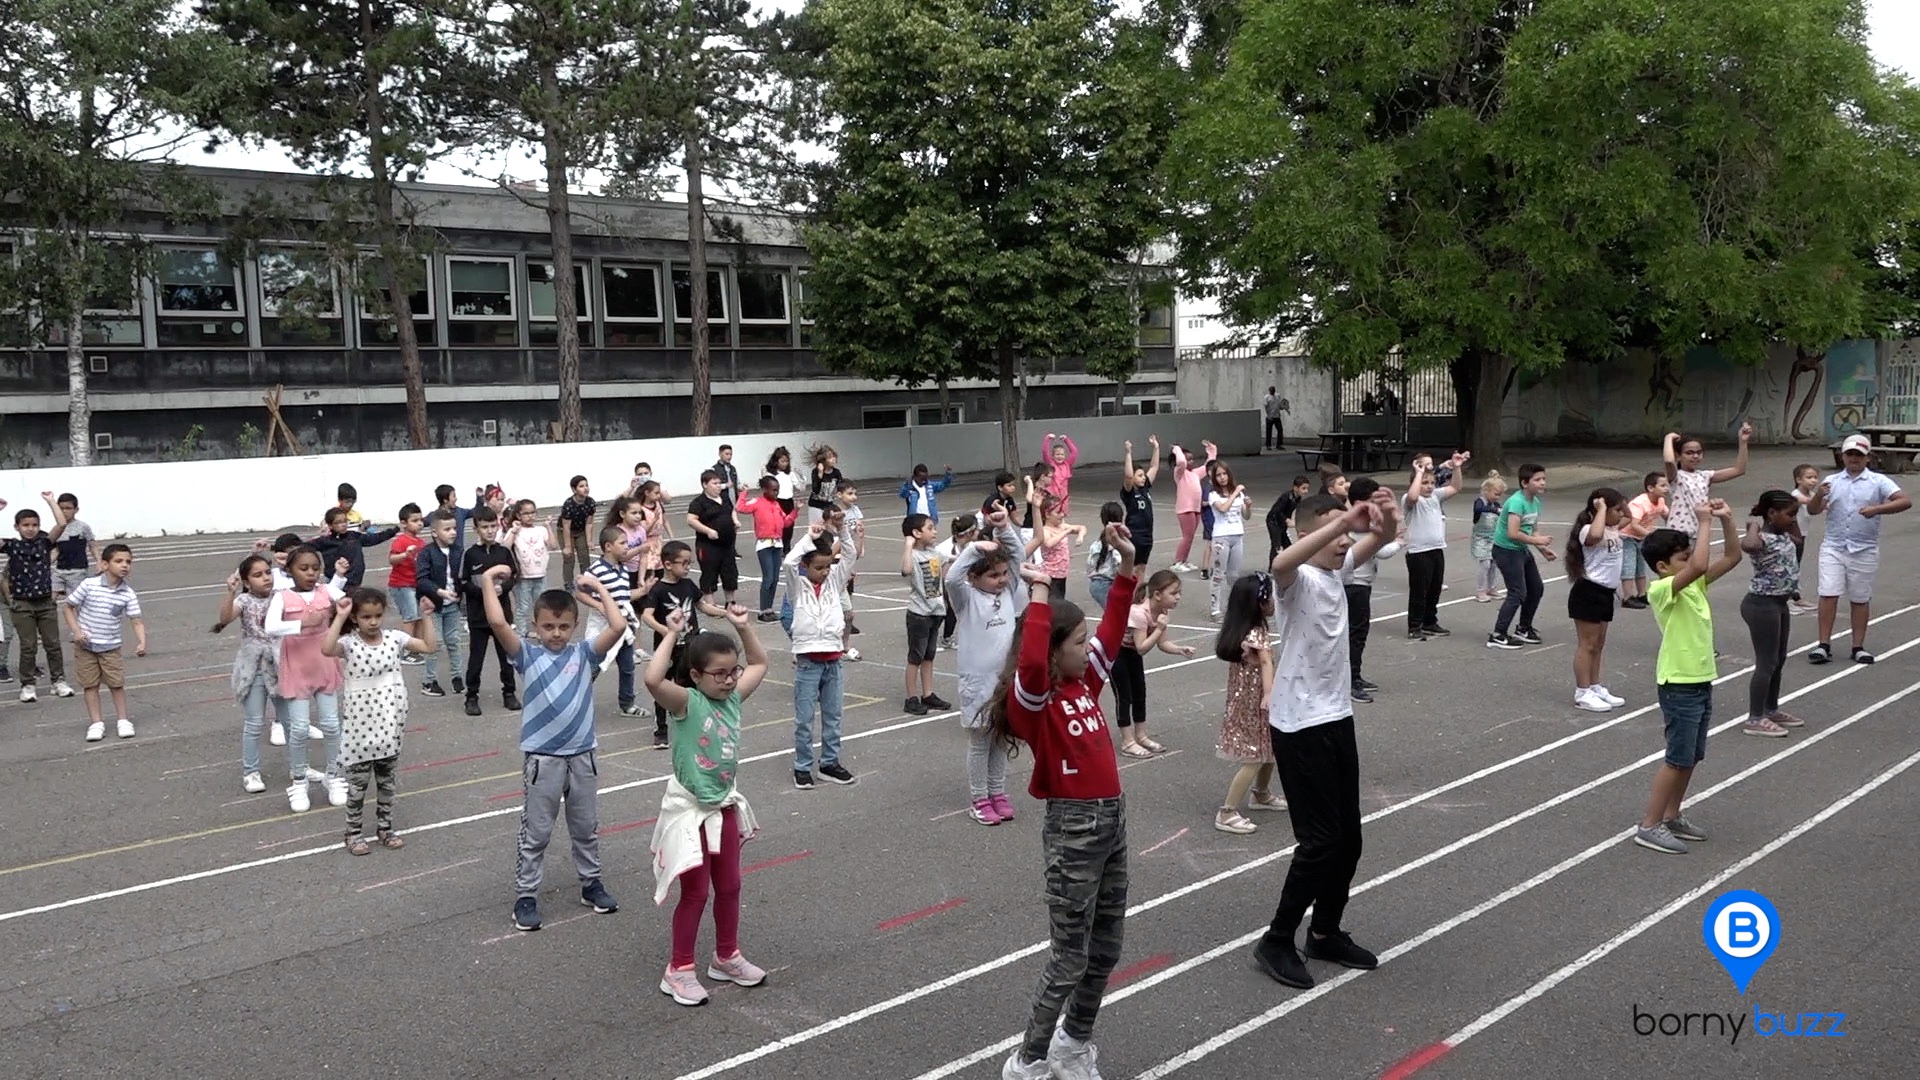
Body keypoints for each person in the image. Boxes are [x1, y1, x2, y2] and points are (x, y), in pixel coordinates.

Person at [989, 523, 1137, 1080]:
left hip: (1112, 821)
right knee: (1070, 955)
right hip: (1074, 828)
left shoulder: (1086, 686)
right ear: (1053, 654)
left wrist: (1126, 567)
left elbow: (1116, 632)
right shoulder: (1038, 701)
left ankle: (1074, 1044)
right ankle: (1028, 1059)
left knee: (1106, 950)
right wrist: (1039, 594)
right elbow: (1029, 664)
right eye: (1078, 643)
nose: (1090, 647)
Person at [1252, 488, 1396, 989]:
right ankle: (1276, 940)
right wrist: (1339, 525)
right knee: (1319, 842)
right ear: (1309, 532)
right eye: (1334, 532)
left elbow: (1383, 537)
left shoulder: (1340, 572)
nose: (1344, 542)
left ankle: (1325, 932)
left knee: (1349, 839)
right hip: (1298, 724)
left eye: (1346, 532)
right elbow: (1279, 563)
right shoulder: (1300, 580)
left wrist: (1387, 515)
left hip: (1335, 718)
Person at [482, 564, 627, 930]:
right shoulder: (527, 656)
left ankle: (591, 884)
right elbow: (499, 625)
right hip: (543, 760)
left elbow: (618, 626)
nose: (556, 634)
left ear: (575, 626)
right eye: (548, 626)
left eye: (564, 627)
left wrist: (596, 590)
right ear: (535, 625)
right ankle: (526, 896)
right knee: (537, 831)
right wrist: (487, 583)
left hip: (582, 756)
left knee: (585, 826)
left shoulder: (584, 654)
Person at [648, 604, 771, 1006]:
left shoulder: (732, 698)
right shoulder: (686, 703)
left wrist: (742, 626)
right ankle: (678, 968)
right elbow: (652, 678)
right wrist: (671, 634)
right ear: (696, 675)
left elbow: (760, 661)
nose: (730, 679)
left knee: (731, 885)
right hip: (691, 811)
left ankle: (726, 956)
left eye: (733, 671)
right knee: (696, 892)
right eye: (719, 673)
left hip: (724, 805)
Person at [1632, 499, 1742, 854]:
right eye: (1682, 557)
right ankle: (1649, 824)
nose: (1691, 559)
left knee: (1691, 755)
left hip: (1699, 679)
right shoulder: (1662, 590)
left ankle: (1671, 814)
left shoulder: (1693, 585)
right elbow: (1698, 565)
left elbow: (1733, 557)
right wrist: (1704, 521)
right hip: (1678, 683)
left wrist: (1726, 520)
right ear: (1662, 566)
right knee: (1676, 757)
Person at [323, 587, 437, 854]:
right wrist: (339, 617)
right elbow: (327, 649)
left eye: (377, 616)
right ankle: (353, 832)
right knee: (358, 784)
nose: (373, 622)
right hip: (360, 727)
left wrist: (427, 617)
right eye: (365, 617)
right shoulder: (350, 644)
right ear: (356, 619)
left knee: (387, 781)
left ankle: (385, 826)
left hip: (389, 722)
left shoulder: (394, 638)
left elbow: (429, 647)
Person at [947, 509, 1041, 824]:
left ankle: (998, 792)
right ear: (974, 578)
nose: (1001, 579)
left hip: (1004, 682)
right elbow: (951, 577)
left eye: (1003, 574)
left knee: (1001, 739)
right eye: (993, 575)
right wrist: (974, 547)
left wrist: (1003, 530)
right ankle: (979, 799)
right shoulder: (966, 598)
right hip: (977, 684)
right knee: (980, 742)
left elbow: (1015, 556)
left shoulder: (1010, 593)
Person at [1806, 433, 1911, 664]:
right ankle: (1823, 644)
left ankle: (1858, 646)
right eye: (1850, 454)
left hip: (1864, 548)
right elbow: (1814, 510)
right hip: (1834, 546)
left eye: (1859, 455)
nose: (1854, 458)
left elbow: (1905, 500)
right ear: (1842, 456)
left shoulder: (1878, 481)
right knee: (1828, 593)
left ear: (1867, 458)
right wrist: (1819, 496)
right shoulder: (1832, 481)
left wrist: (1877, 509)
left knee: (1860, 598)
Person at [265, 547, 347, 813]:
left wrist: (346, 605)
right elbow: (270, 627)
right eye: (304, 568)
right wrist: (301, 624)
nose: (311, 573)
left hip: (324, 663)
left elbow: (349, 601)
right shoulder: (282, 597)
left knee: (332, 725)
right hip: (297, 668)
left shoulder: (326, 592)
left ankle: (333, 776)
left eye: (315, 567)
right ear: (289, 570)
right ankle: (299, 780)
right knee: (299, 728)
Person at [785, 523, 858, 789]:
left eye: (828, 567)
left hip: (833, 660)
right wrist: (809, 538)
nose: (825, 572)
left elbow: (849, 556)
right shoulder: (798, 587)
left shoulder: (834, 584)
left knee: (833, 715)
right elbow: (788, 562)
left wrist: (843, 531)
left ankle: (829, 762)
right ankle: (802, 766)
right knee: (804, 719)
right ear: (806, 565)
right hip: (808, 662)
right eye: (819, 567)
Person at [215, 554, 292, 793]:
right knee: (255, 722)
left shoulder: (281, 597)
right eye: (257, 575)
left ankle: (298, 766)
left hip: (280, 664)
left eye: (267, 572)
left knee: (291, 721)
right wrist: (230, 592)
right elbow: (225, 618)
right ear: (247, 582)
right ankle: (251, 772)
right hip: (255, 667)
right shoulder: (245, 600)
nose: (265, 578)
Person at [1213, 573, 1283, 835]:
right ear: (1259, 603)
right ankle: (1227, 811)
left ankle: (1261, 793)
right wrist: (1269, 693)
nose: (1274, 601)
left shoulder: (1243, 631)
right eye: (1270, 596)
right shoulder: (1256, 634)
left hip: (1246, 700)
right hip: (1254, 703)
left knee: (1270, 748)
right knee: (1253, 756)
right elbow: (1265, 662)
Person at [640, 541, 727, 751]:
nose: (688, 567)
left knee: (691, 686)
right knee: (662, 686)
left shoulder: (688, 585)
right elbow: (646, 615)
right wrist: (666, 631)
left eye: (690, 563)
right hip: (668, 648)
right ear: (668, 564)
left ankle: (694, 723)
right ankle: (660, 729)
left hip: (690, 647)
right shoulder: (659, 589)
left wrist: (726, 613)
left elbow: (703, 606)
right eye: (685, 563)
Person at [63, 543, 146, 741]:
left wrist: (142, 641)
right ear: (105, 564)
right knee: (90, 685)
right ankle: (96, 723)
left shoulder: (128, 594)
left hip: (111, 646)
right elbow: (68, 607)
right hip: (86, 646)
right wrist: (77, 631)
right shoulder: (89, 585)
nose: (124, 565)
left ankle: (123, 720)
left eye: (128, 562)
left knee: (116, 684)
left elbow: (136, 620)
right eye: (119, 561)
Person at [1739, 491, 1804, 738]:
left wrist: (1792, 517)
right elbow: (1749, 546)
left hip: (1779, 604)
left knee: (1779, 659)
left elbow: (1798, 541)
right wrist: (1753, 527)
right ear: (1771, 513)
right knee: (1766, 662)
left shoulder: (1784, 535)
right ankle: (1755, 718)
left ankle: (1771, 708)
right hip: (1760, 605)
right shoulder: (1762, 538)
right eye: (1789, 514)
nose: (1792, 519)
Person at [3, 493, 75, 703]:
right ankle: (27, 684)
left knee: (53, 644)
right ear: (17, 527)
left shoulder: (44, 543)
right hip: (22, 603)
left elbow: (61, 524)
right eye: (25, 525)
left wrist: (51, 501)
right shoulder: (13, 546)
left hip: (45, 602)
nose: (30, 528)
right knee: (28, 646)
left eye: (34, 524)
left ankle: (58, 680)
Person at [1117, 570, 1194, 757]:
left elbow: (1162, 643)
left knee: (1139, 693)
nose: (1178, 597)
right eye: (1173, 593)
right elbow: (1142, 647)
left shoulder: (1162, 610)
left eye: (1179, 593)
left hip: (1133, 653)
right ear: (1157, 595)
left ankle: (1141, 735)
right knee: (1124, 695)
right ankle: (1128, 741)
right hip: (1117, 653)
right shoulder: (1139, 613)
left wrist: (1179, 649)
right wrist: (1159, 628)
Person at [1339, 477, 1403, 703]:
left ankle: (1354, 676)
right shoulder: (1356, 525)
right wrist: (1398, 542)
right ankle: (1350, 681)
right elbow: (1381, 551)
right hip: (1354, 585)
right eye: (1371, 502)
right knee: (1355, 635)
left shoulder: (1365, 523)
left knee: (1358, 634)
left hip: (1362, 585)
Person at [1565, 488, 1629, 712]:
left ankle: (1595, 685)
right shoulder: (1587, 530)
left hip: (1605, 593)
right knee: (1587, 644)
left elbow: (1630, 517)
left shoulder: (1613, 528)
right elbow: (1595, 536)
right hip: (1589, 592)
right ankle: (1582, 692)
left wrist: (1622, 502)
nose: (1621, 514)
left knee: (1599, 644)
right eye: (1616, 510)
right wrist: (1601, 508)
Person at [456, 507, 522, 717]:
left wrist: (503, 588)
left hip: (502, 617)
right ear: (476, 529)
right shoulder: (470, 554)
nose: (490, 531)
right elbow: (463, 581)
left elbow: (514, 576)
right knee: (476, 658)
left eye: (493, 526)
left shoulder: (503, 552)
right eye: (485, 527)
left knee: (507, 658)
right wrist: (483, 591)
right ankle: (472, 696)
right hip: (478, 617)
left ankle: (509, 693)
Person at [1487, 464, 1556, 650]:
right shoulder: (1517, 502)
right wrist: (1537, 540)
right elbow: (1512, 533)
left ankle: (1523, 628)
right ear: (1525, 483)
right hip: (1506, 551)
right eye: (1538, 479)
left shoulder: (1535, 502)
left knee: (1536, 588)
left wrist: (1542, 548)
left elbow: (1532, 529)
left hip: (1521, 549)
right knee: (1517, 592)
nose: (1543, 482)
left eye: (1543, 479)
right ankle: (1498, 634)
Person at [1403, 452, 1469, 638]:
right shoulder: (1411, 500)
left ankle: (1430, 622)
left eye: (1432, 483)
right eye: (1425, 483)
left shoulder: (1435, 497)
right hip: (1418, 552)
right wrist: (1418, 474)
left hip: (1436, 549)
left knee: (1434, 588)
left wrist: (1456, 467)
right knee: (1419, 591)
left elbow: (1456, 486)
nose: (1430, 487)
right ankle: (1414, 626)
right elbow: (1413, 497)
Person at [586, 526, 643, 718]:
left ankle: (627, 704)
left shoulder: (623, 569)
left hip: (623, 626)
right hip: (604, 627)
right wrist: (599, 605)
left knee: (627, 667)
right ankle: (575, 699)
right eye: (623, 543)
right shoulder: (596, 570)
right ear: (608, 547)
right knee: (594, 666)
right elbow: (579, 592)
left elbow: (623, 596)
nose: (627, 547)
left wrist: (644, 591)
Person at [900, 513, 953, 716]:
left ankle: (928, 694)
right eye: (930, 528)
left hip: (936, 611)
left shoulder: (935, 553)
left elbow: (953, 559)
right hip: (919, 613)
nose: (935, 532)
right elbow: (905, 570)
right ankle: (911, 698)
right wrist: (908, 545)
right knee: (916, 656)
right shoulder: (912, 555)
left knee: (929, 655)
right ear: (916, 533)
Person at [1662, 424, 1751, 539]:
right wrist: (1668, 438)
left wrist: (1743, 442)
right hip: (1677, 534)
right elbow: (1669, 461)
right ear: (1678, 456)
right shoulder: (1676, 476)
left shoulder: (1705, 476)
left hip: (1699, 534)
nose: (1695, 456)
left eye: (1698, 452)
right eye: (1689, 453)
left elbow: (1739, 470)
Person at [413, 513, 464, 698]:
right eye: (447, 529)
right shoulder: (426, 553)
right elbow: (421, 579)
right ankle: (429, 681)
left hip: (453, 605)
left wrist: (462, 592)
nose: (452, 533)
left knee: (454, 641)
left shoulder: (458, 551)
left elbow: (462, 576)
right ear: (434, 532)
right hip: (433, 606)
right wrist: (439, 592)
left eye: (454, 529)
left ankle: (457, 677)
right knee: (434, 644)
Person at [738, 475, 798, 620]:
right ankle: (763, 610)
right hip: (764, 544)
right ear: (765, 489)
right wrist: (743, 493)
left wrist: (795, 511)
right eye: (773, 490)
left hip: (777, 544)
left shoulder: (777, 505)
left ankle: (769, 608)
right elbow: (740, 507)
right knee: (768, 578)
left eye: (777, 490)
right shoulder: (757, 502)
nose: (776, 493)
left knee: (775, 578)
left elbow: (786, 522)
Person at [687, 470, 741, 608]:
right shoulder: (699, 502)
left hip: (727, 544)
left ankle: (730, 601)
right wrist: (708, 531)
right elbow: (691, 520)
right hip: (708, 545)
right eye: (714, 483)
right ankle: (710, 603)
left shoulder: (724, 497)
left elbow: (732, 510)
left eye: (719, 483)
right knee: (709, 571)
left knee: (729, 571)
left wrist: (735, 521)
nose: (718, 486)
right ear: (705, 484)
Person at [505, 500, 558, 636]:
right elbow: (504, 547)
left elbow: (553, 546)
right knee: (523, 608)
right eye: (526, 513)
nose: (530, 516)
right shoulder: (516, 531)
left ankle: (541, 633)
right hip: (523, 577)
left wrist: (548, 527)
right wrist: (513, 530)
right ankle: (521, 636)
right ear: (518, 515)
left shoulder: (540, 530)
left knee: (541, 607)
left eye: (532, 512)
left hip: (540, 575)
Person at [1206, 462, 1251, 618]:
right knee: (1219, 574)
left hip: (1237, 535)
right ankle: (1215, 609)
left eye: (1224, 474)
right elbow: (1223, 508)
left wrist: (1248, 506)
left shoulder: (1238, 493)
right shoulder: (1213, 495)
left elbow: (1246, 516)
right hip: (1221, 537)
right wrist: (1236, 492)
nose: (1222, 478)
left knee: (1234, 575)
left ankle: (1234, 608)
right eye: (1218, 475)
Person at [1619, 472, 1668, 610]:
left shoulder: (1660, 501)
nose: (1666, 489)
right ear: (1651, 488)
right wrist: (1650, 536)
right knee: (1629, 566)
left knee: (1641, 567)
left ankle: (1641, 594)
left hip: (1642, 537)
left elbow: (1667, 515)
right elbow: (1634, 524)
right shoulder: (1640, 503)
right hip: (1627, 537)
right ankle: (1627, 597)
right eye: (1663, 485)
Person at [387, 503, 429, 663]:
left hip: (415, 584)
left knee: (418, 617)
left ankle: (416, 647)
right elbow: (391, 559)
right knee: (410, 617)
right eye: (415, 520)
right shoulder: (401, 541)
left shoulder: (420, 542)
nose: (419, 523)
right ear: (404, 523)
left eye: (420, 520)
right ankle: (407, 651)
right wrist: (405, 554)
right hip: (401, 585)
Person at [1027, 490, 1085, 601]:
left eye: (1062, 512)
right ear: (1047, 514)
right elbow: (1048, 543)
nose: (1062, 515)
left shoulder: (1062, 526)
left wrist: (1080, 536)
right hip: (1050, 575)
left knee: (1060, 599)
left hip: (1062, 574)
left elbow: (1081, 527)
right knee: (1052, 602)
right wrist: (1066, 532)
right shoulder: (1045, 530)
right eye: (1058, 512)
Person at [1169, 441, 1215, 572]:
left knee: (1190, 537)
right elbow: (1181, 463)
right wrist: (1177, 449)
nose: (1191, 461)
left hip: (1196, 508)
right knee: (1187, 536)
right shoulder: (1180, 473)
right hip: (1185, 509)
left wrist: (1212, 450)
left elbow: (1208, 466)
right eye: (1188, 459)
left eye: (1192, 459)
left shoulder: (1195, 473)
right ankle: (1178, 561)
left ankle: (1184, 560)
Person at [936, 514, 978, 650]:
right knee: (941, 610)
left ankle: (947, 637)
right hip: (942, 582)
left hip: (960, 583)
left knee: (953, 611)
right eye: (976, 529)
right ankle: (931, 638)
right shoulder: (944, 548)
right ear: (969, 532)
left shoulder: (972, 546)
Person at [1120, 437, 1161, 568]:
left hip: (1147, 535)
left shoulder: (1145, 488)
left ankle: (1140, 589)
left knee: (1142, 568)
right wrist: (1128, 453)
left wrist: (1156, 448)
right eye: (1140, 475)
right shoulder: (1129, 491)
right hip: (1134, 535)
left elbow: (1154, 466)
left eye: (1143, 475)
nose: (1143, 478)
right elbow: (1128, 476)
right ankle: (1130, 589)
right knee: (1132, 568)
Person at [1469, 472, 1507, 604]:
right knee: (1484, 564)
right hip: (1480, 538)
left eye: (1500, 495)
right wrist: (1495, 511)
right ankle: (1480, 590)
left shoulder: (1496, 504)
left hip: (1493, 538)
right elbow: (1480, 509)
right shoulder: (1480, 502)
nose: (1498, 498)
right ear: (1486, 491)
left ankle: (1491, 588)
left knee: (1493, 564)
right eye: (1496, 494)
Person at [51, 493, 96, 597]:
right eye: (61, 508)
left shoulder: (83, 527)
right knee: (50, 598)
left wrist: (99, 561)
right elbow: (56, 550)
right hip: (59, 570)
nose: (64, 511)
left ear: (76, 510)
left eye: (68, 508)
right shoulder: (57, 529)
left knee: (74, 601)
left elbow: (92, 545)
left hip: (77, 571)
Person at [557, 475, 597, 587]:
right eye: (581, 486)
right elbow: (566, 526)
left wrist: (589, 540)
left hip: (581, 530)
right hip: (566, 531)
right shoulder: (569, 504)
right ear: (574, 489)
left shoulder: (590, 502)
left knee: (584, 556)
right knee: (569, 558)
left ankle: (586, 581)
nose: (585, 488)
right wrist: (568, 546)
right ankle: (568, 583)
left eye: (586, 485)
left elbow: (589, 523)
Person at [1086, 502, 1127, 610]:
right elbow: (1119, 563)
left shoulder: (1097, 542)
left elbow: (1090, 564)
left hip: (1095, 582)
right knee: (1114, 614)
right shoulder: (1117, 542)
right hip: (1106, 583)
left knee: (1111, 613)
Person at [1266, 476, 1311, 562]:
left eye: (1307, 488)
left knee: (1287, 545)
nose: (1306, 491)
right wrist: (1287, 520)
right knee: (1276, 545)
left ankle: (1289, 566)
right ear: (1295, 488)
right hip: (1273, 521)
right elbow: (1276, 511)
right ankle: (1272, 569)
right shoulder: (1286, 497)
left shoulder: (1298, 498)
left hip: (1281, 522)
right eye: (1303, 488)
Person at [766, 447, 798, 553]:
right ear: (776, 461)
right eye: (782, 461)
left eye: (786, 461)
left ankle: (787, 546)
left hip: (789, 501)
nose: (785, 464)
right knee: (778, 525)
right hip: (778, 501)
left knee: (790, 525)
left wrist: (800, 476)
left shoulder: (790, 473)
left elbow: (800, 487)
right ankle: (778, 547)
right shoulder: (771, 474)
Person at [1042, 432, 1080, 514]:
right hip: (1052, 494)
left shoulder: (1067, 464)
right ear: (1052, 456)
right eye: (1057, 454)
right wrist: (1048, 439)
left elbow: (1074, 452)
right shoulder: (1050, 463)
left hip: (1063, 494)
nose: (1060, 456)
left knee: (1062, 514)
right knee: (1051, 513)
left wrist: (1066, 440)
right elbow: (1045, 451)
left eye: (1062, 454)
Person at [805, 444, 843, 527]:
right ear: (823, 460)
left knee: (829, 528)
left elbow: (841, 486)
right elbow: (816, 490)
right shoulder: (815, 472)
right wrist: (820, 474)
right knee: (816, 528)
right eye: (829, 458)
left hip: (829, 504)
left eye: (834, 456)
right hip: (816, 505)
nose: (833, 459)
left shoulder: (836, 473)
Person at [1263, 385, 1287, 450]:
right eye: (1271, 391)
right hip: (1270, 416)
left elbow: (1279, 405)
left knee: (1280, 430)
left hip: (1277, 416)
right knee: (1269, 431)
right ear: (1269, 391)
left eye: (1273, 390)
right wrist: (1268, 414)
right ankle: (1268, 445)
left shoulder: (1277, 396)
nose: (1272, 392)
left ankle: (1279, 444)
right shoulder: (1267, 397)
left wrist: (1283, 407)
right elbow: (1265, 407)